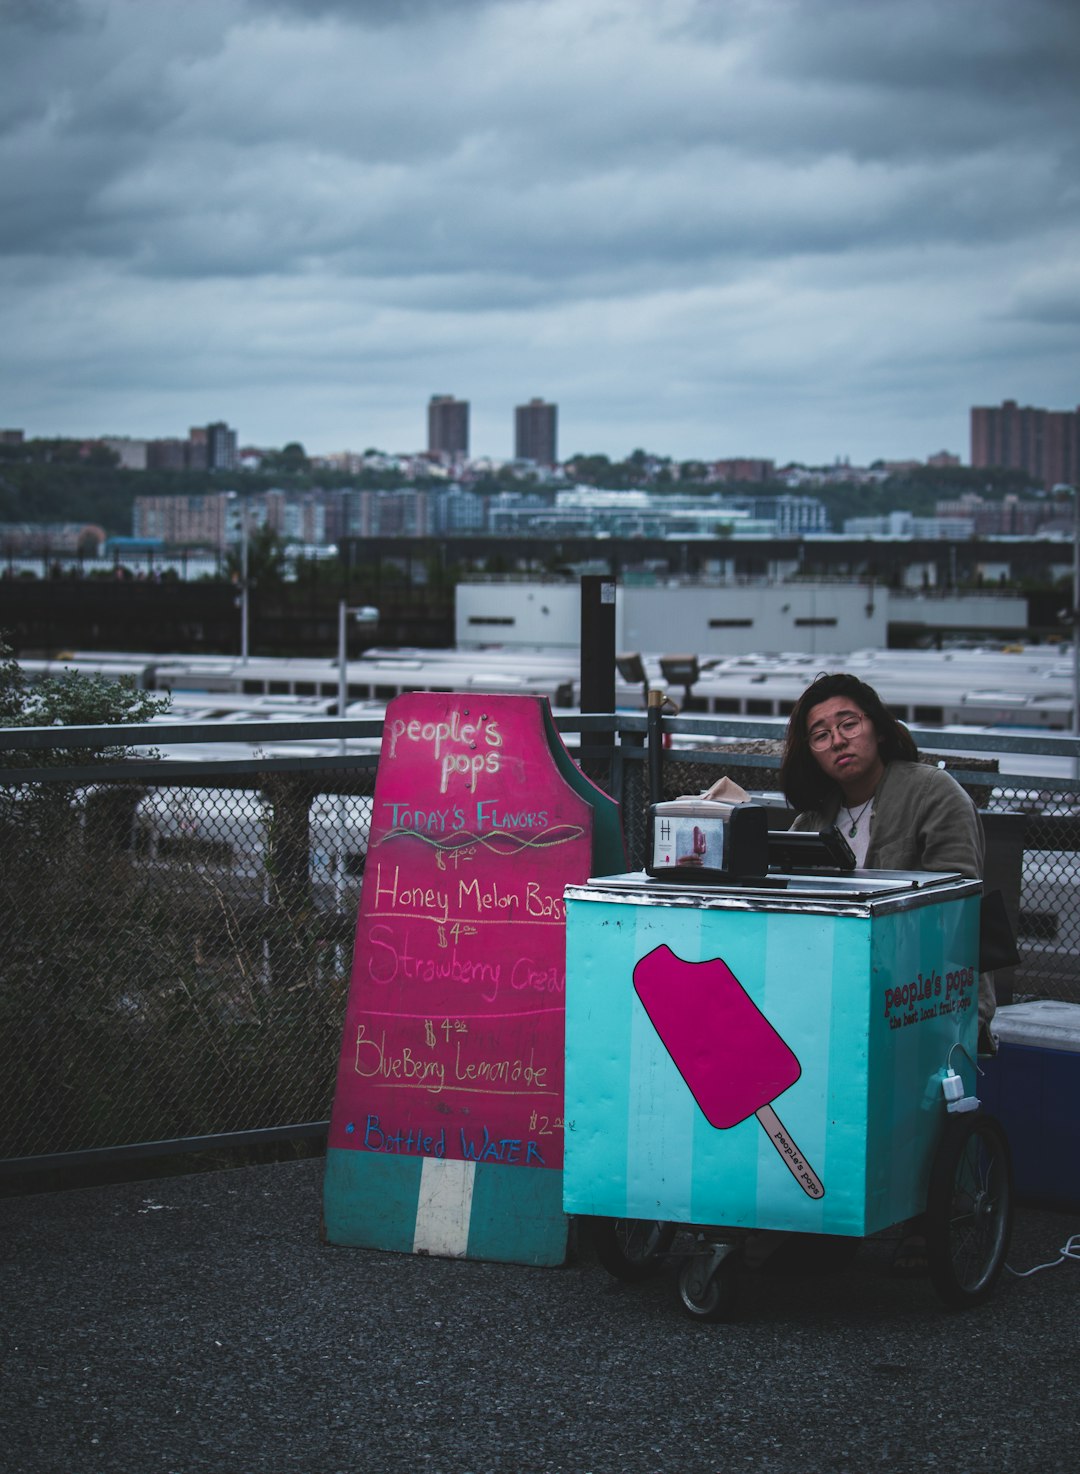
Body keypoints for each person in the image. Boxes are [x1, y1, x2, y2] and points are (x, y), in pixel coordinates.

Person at [779, 671, 994, 1031]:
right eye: (820, 735)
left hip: (925, 998)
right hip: (834, 995)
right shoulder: (810, 822)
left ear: (877, 729)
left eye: (848, 724)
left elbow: (955, 913)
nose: (837, 741)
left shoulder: (933, 793)